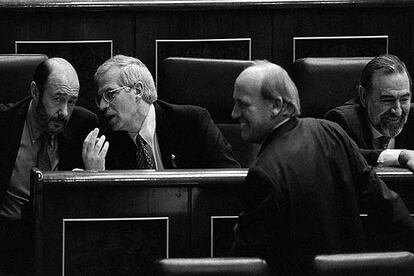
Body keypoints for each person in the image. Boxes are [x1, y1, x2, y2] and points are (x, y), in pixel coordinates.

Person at [231, 60, 414, 275]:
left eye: (243, 104)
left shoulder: (264, 173)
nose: (234, 113)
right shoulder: (331, 132)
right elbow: (386, 206)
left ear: (276, 106)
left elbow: (248, 262)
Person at [0, 57, 97, 274]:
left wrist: (94, 175)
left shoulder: (85, 125)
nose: (64, 112)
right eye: (57, 99)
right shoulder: (4, 124)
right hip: (8, 237)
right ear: (35, 92)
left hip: (61, 238)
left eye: (71, 102)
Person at [82, 55, 239, 170]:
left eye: (110, 94)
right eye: (101, 98)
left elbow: (230, 179)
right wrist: (97, 176)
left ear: (137, 90)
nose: (102, 105)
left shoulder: (191, 123)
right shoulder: (107, 144)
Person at [324, 54, 414, 168]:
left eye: (404, 99)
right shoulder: (341, 121)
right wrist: (402, 156)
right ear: (364, 97)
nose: (397, 111)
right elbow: (346, 157)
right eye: (387, 100)